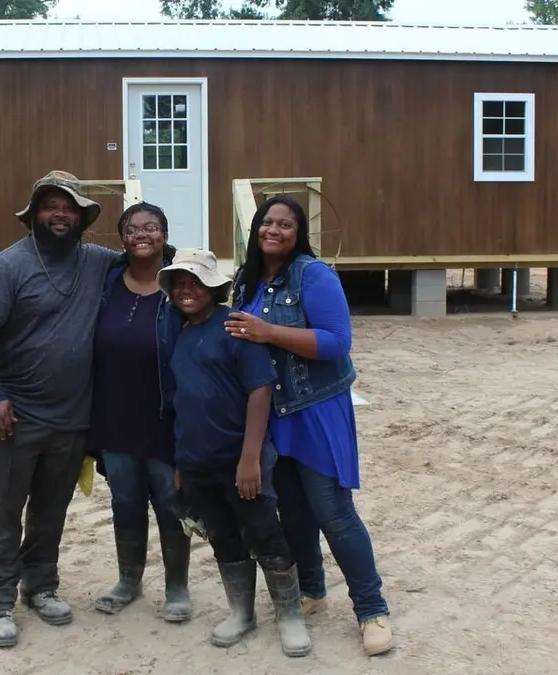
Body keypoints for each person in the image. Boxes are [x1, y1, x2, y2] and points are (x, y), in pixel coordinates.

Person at [222, 195, 395, 657]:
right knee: (293, 512)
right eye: (267, 222)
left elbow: (338, 342)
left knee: (334, 512)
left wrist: (269, 332)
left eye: (285, 224)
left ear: (299, 234)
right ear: (256, 228)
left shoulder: (313, 275)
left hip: (316, 408)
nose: (274, 230)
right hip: (274, 413)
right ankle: (312, 591)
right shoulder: (247, 279)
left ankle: (372, 609)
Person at [0, 169, 123, 648]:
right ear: (33, 214)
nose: (60, 213)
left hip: (72, 417)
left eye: (69, 206)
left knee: (51, 509)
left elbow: (147, 260)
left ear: (82, 217)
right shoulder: (6, 266)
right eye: (50, 205)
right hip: (14, 416)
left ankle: (40, 586)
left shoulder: (97, 261)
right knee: (2, 508)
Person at [158, 248, 313, 658]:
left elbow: (259, 390)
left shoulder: (235, 329)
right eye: (178, 283)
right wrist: (180, 462)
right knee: (223, 535)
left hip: (239, 458)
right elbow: (182, 403)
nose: (186, 289)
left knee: (264, 531)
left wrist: (250, 457)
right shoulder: (181, 334)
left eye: (195, 281)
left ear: (214, 286)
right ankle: (241, 612)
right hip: (196, 461)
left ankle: (289, 615)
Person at [86, 202, 192, 622]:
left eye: (152, 227)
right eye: (132, 229)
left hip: (166, 418)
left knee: (172, 504)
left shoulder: (183, 286)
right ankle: (128, 581)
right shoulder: (108, 281)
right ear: (123, 238)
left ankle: (177, 587)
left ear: (165, 235)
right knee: (125, 502)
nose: (142, 234)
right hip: (115, 416)